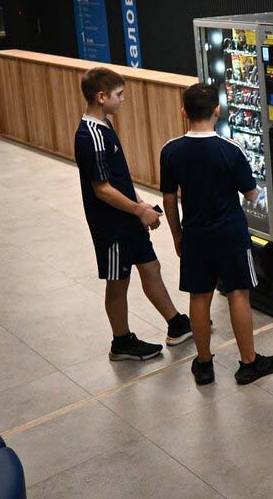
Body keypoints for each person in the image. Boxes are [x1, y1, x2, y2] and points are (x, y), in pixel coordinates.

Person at [160, 83, 273, 386]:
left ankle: (204, 364)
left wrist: (177, 235)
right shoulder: (231, 150)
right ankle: (249, 363)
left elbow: (169, 199)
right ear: (217, 110)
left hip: (195, 235)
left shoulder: (171, 150)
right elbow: (251, 194)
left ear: (184, 112)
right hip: (231, 234)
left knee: (199, 297)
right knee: (238, 293)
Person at [74, 66, 193, 360]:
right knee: (118, 282)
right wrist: (139, 210)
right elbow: (102, 189)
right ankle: (121, 341)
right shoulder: (92, 137)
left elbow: (117, 178)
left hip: (127, 218)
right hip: (111, 225)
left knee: (151, 267)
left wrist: (139, 202)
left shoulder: (105, 126)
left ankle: (176, 323)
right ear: (101, 97)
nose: (123, 99)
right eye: (119, 94)